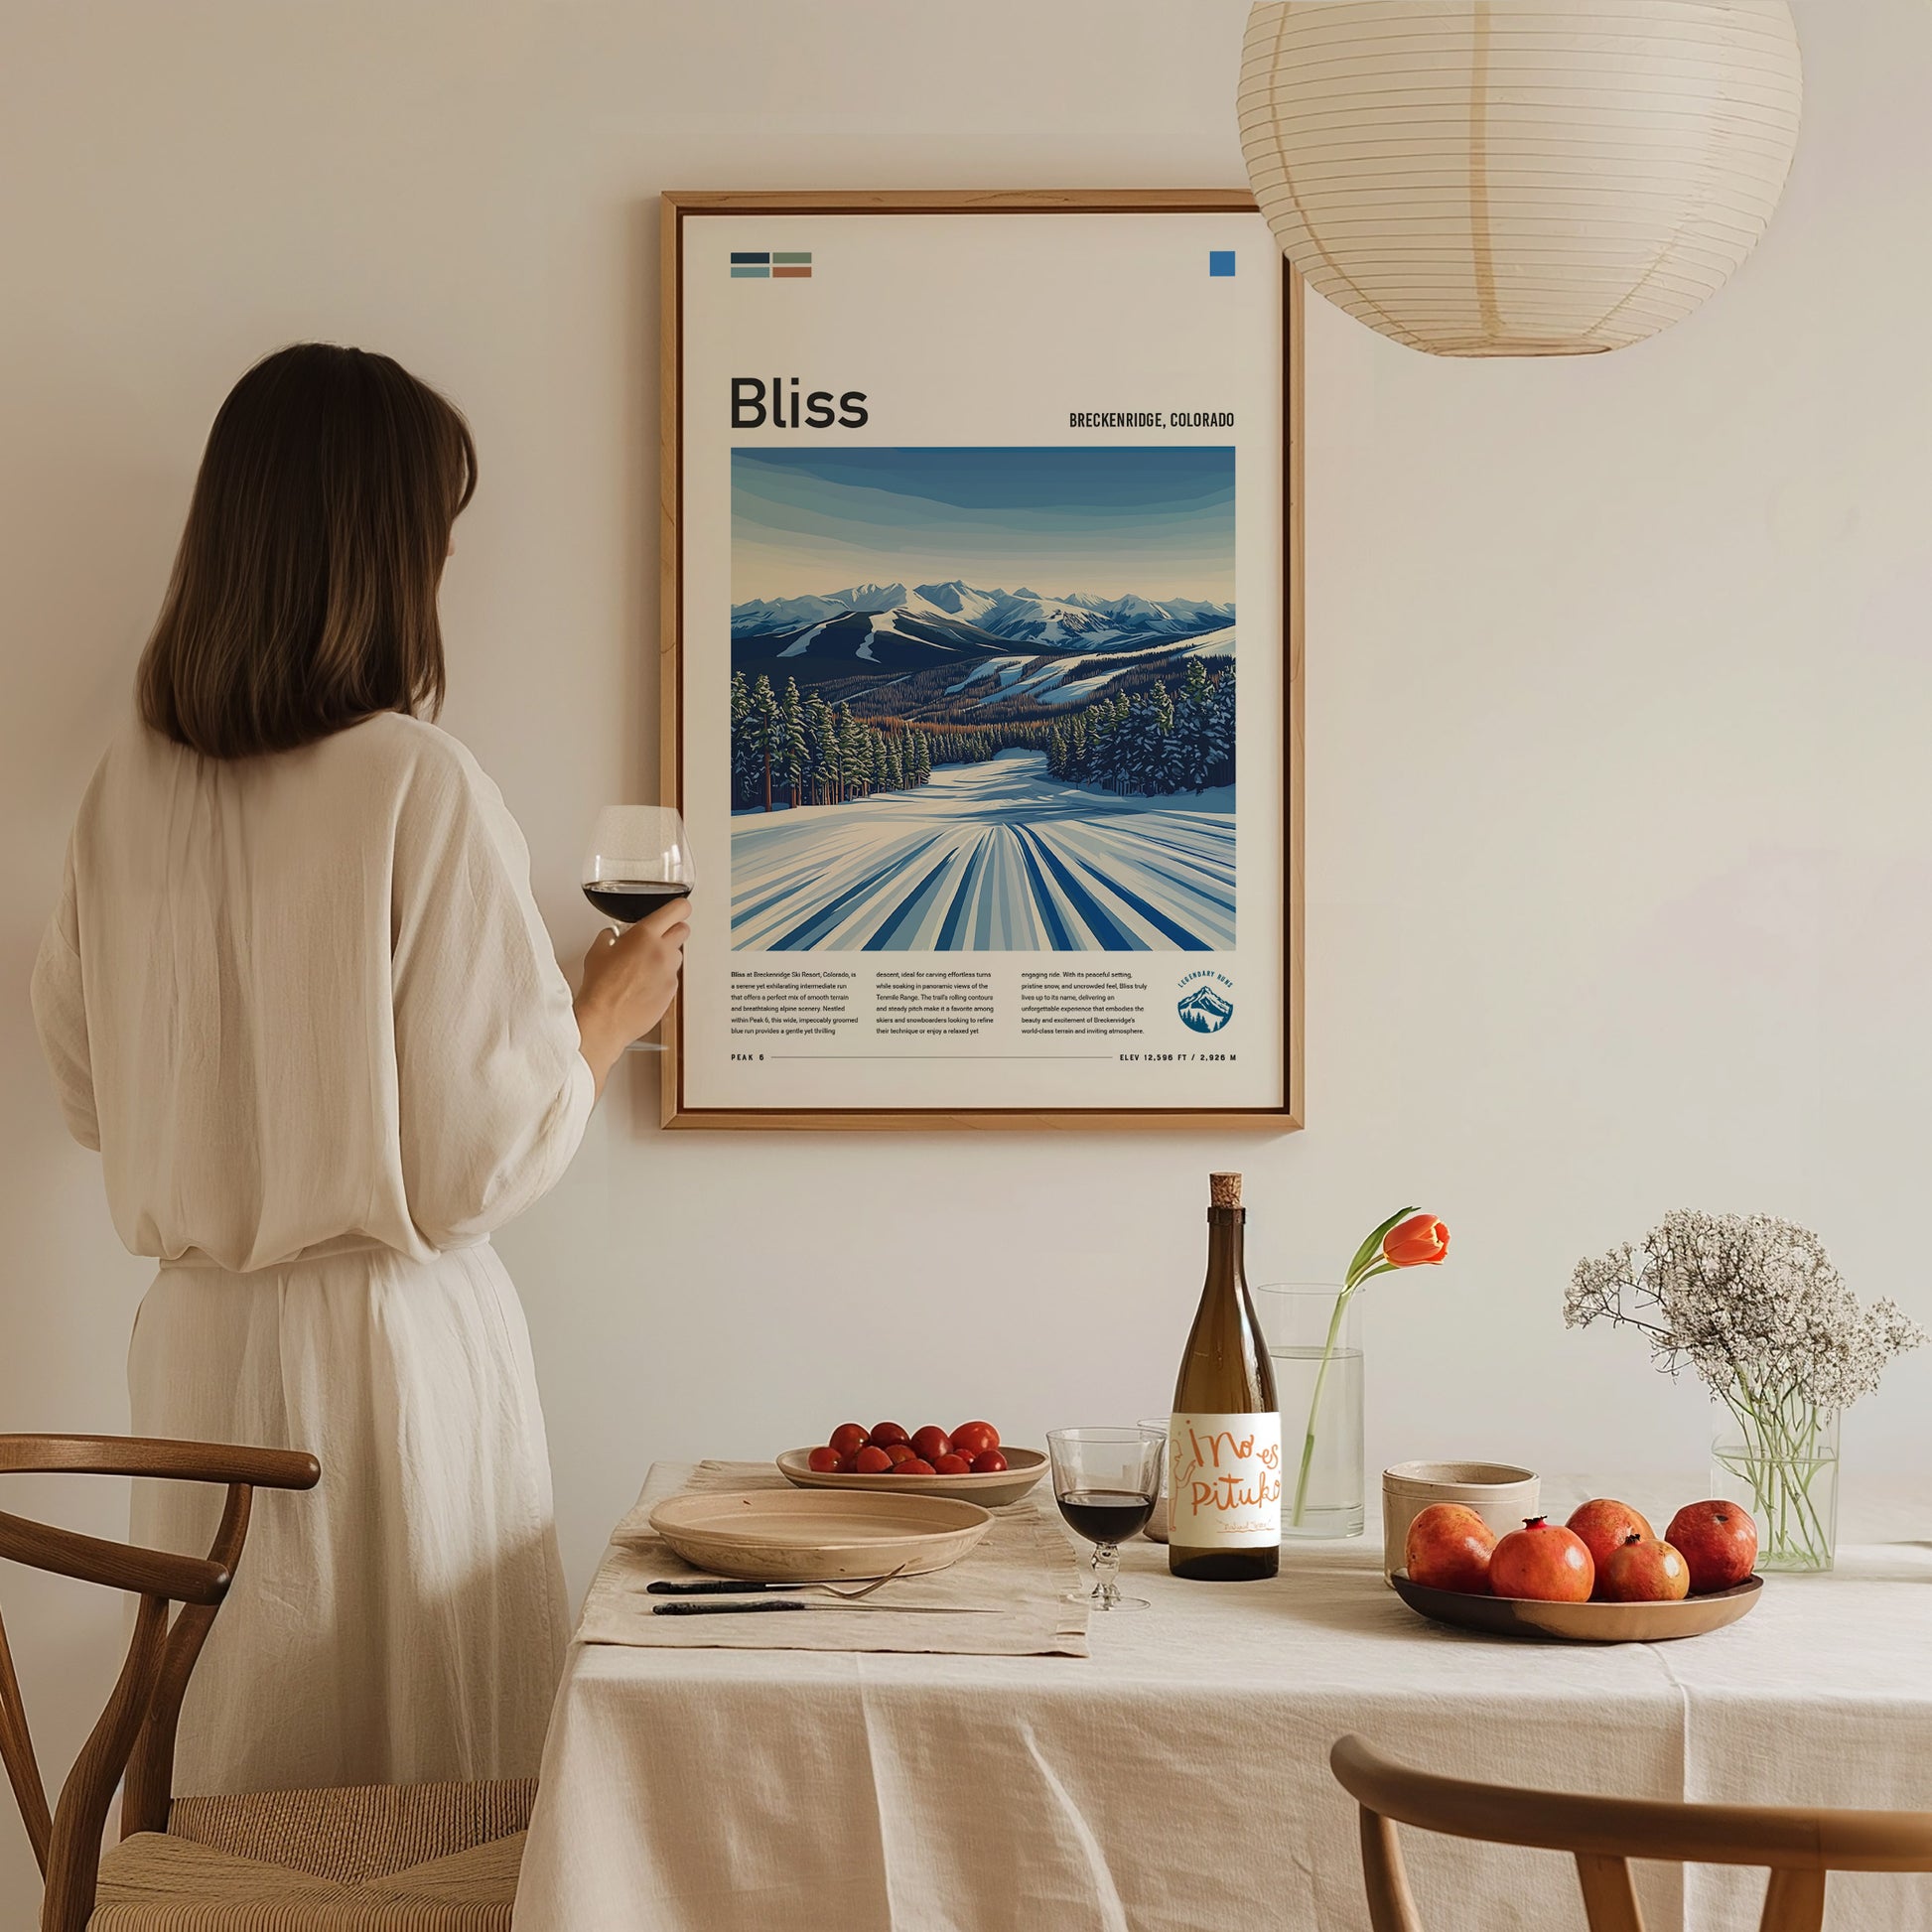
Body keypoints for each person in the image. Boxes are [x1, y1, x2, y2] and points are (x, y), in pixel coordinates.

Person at [29, 343, 685, 1793]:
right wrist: (603, 1011)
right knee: (420, 1796)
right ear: (385, 552)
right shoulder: (414, 779)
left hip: (196, 1350)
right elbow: (470, 1165)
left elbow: (87, 1093)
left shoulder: (122, 791)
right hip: (388, 1361)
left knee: (239, 1776)